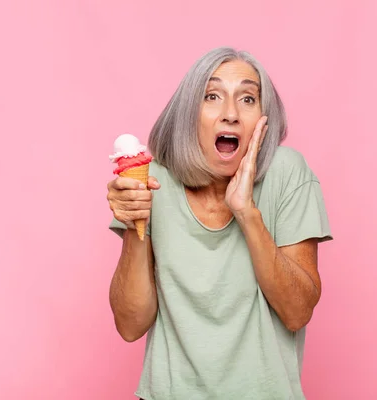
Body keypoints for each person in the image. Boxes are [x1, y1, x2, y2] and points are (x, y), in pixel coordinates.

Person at [106, 47, 333, 399]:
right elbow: (131, 326)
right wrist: (138, 223)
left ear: (264, 117)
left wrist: (246, 212)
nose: (230, 114)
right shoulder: (152, 179)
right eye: (212, 96)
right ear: (188, 114)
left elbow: (296, 312)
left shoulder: (288, 173)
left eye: (247, 98)